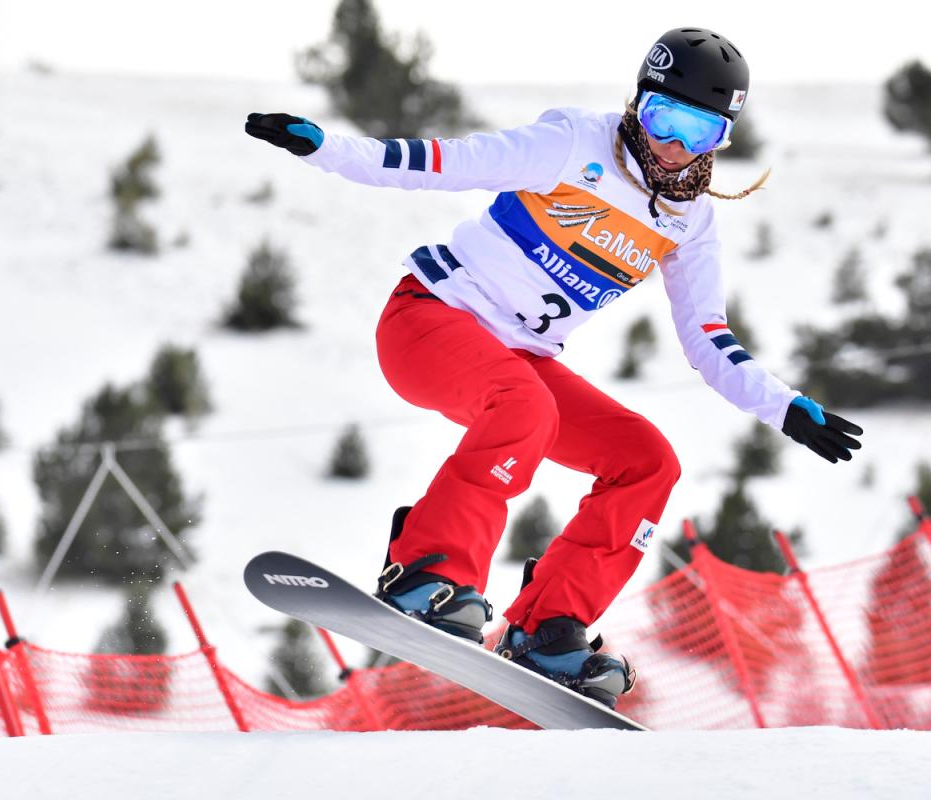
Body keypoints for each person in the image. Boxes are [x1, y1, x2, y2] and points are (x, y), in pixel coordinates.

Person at [245, 27, 863, 708]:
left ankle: (547, 629)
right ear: (638, 103)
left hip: (516, 361)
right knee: (525, 409)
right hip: (428, 320)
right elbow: (440, 161)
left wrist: (784, 407)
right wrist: (330, 148)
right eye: (663, 119)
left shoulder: (689, 221)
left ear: (723, 138)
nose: (674, 148)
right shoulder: (573, 144)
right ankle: (426, 572)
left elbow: (709, 339)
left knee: (646, 460)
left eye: (700, 131)